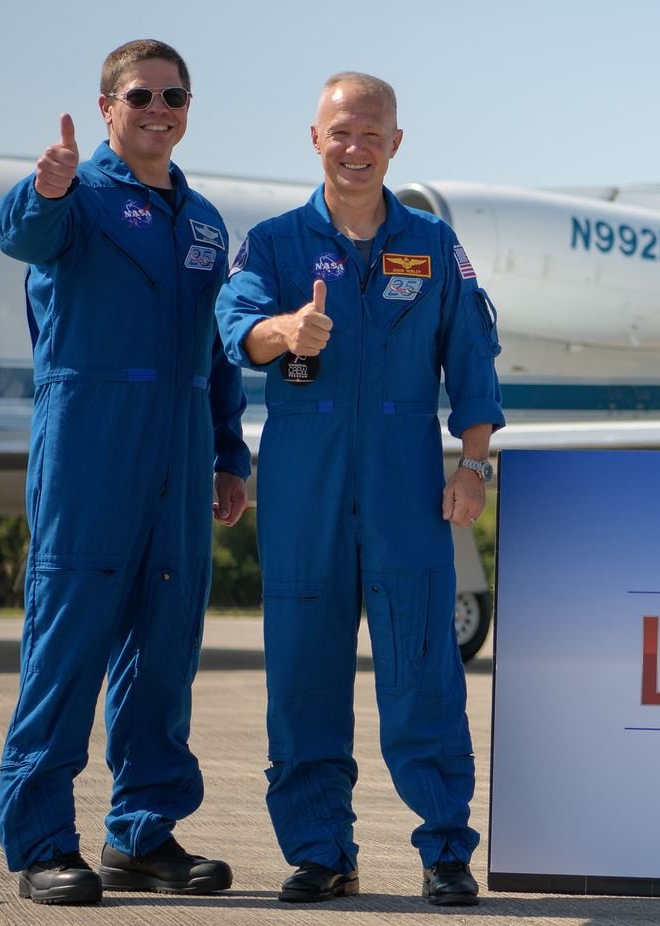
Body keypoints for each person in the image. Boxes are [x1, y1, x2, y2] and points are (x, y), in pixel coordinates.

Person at [214, 71, 504, 906]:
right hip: (303, 484)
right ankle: (319, 852)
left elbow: (472, 358)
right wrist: (285, 330)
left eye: (372, 133)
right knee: (303, 671)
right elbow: (235, 329)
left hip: (405, 481)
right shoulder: (275, 242)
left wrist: (473, 465)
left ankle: (444, 850)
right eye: (340, 132)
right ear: (316, 139)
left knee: (422, 669)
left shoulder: (433, 244)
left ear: (395, 144)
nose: (355, 147)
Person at [0, 39, 250, 906]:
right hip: (90, 446)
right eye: (140, 96)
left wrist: (228, 453)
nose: (158, 110)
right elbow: (19, 234)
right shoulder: (75, 197)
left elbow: (215, 350)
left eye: (175, 97)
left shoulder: (204, 222)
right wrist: (46, 187)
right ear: (108, 107)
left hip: (181, 447)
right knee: (67, 642)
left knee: (164, 648)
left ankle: (141, 835)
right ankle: (40, 841)